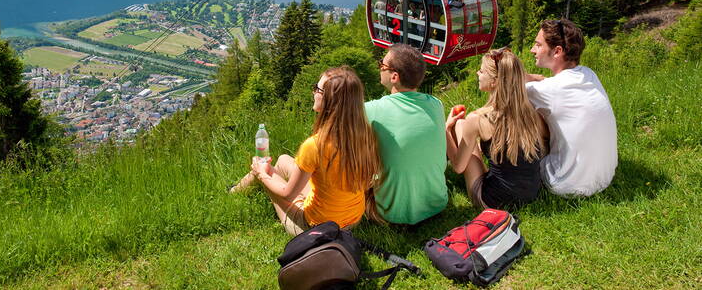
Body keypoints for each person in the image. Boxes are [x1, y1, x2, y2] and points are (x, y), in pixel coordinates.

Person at [231, 66, 382, 236]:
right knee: (283, 160)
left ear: (329, 99)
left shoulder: (315, 146)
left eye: (317, 89)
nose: (313, 92)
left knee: (266, 169)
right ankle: (237, 189)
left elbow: (287, 194)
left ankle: (237, 191)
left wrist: (262, 175)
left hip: (316, 227)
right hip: (352, 220)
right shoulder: (365, 135)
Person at [445, 48, 547, 210]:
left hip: (492, 200)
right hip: (530, 195)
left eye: (482, 71)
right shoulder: (532, 114)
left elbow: (458, 167)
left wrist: (446, 130)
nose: (478, 73)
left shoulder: (478, 119)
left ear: (494, 81)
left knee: (460, 124)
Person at [525, 19, 617, 196]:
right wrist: (532, 77)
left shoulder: (548, 91)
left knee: (525, 110)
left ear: (557, 51)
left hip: (563, 184)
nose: (532, 50)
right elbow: (548, 83)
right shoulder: (589, 74)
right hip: (604, 178)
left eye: (538, 45)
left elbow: (509, 90)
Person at [364, 44, 447, 224]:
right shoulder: (436, 104)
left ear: (394, 76)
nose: (379, 69)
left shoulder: (372, 110)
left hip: (391, 213)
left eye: (382, 66)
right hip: (436, 204)